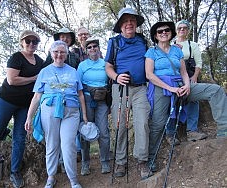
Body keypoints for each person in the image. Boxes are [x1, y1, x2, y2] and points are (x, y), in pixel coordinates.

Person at [145, 21, 227, 171]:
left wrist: (187, 85)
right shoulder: (151, 52)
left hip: (180, 86)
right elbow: (149, 75)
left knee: (216, 90)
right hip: (161, 88)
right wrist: (170, 88)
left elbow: (183, 71)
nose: (164, 32)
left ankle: (224, 129)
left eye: (167, 30)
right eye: (160, 31)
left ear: (171, 33)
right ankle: (150, 158)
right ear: (155, 36)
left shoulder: (177, 51)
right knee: (157, 124)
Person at [0, 30, 44, 188]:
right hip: (5, 100)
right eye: (28, 41)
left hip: (24, 105)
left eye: (35, 41)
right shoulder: (16, 57)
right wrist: (34, 78)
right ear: (22, 42)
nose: (31, 44)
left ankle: (15, 171)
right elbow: (12, 80)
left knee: (19, 137)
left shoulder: (40, 61)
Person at [25, 40, 87, 188]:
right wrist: (29, 117)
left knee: (68, 145)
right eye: (56, 52)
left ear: (66, 54)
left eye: (62, 52)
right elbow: (37, 97)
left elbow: (80, 95)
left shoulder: (73, 71)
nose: (59, 55)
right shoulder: (44, 72)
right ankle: (51, 176)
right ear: (51, 54)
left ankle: (73, 179)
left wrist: (84, 115)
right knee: (52, 145)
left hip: (71, 112)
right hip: (49, 110)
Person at [104, 7, 151, 179]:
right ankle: (120, 161)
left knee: (142, 123)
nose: (129, 23)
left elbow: (155, 55)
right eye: (125, 21)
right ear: (120, 25)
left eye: (132, 20)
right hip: (120, 89)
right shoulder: (114, 42)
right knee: (120, 125)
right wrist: (116, 76)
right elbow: (108, 66)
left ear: (136, 24)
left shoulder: (143, 41)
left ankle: (142, 160)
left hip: (140, 88)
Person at [44, 27, 82, 170]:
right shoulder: (52, 56)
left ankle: (70, 161)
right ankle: (55, 167)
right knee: (53, 138)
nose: (65, 39)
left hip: (71, 100)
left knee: (68, 137)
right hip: (53, 101)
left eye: (67, 37)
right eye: (62, 36)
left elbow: (78, 76)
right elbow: (46, 73)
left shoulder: (73, 56)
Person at [77, 37, 111, 176]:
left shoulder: (105, 63)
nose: (92, 49)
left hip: (102, 100)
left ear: (98, 48)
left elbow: (110, 79)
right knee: (86, 130)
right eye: (89, 47)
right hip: (87, 99)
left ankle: (105, 161)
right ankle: (85, 163)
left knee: (103, 131)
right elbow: (78, 85)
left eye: (94, 46)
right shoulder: (82, 65)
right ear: (86, 51)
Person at [173, 20, 207, 141]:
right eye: (179, 28)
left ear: (188, 30)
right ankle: (171, 132)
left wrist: (194, 77)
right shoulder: (170, 44)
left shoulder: (193, 45)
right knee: (172, 100)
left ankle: (192, 130)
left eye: (185, 28)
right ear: (176, 30)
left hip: (190, 75)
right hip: (175, 77)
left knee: (194, 99)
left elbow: (199, 63)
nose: (182, 30)